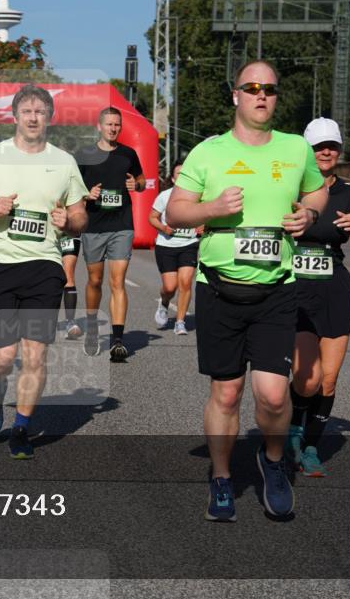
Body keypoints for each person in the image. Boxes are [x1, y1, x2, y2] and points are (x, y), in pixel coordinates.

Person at [165, 60, 328, 520]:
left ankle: (272, 463)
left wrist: (309, 215)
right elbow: (176, 212)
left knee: (275, 396)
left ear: (277, 97)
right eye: (251, 88)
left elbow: (317, 193)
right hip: (219, 290)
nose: (262, 96)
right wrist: (212, 208)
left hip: (277, 288)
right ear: (235, 95)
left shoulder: (296, 149)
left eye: (270, 90)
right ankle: (220, 477)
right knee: (228, 393)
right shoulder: (207, 153)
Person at [0, 85, 88, 459]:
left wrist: (70, 221)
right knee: (3, 358)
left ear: (49, 118)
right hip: (0, 264)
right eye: (26, 111)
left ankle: (22, 428)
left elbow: (80, 215)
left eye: (40, 111)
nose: (32, 117)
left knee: (35, 355)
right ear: (14, 117)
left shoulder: (63, 162)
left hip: (45, 265)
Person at [288, 118, 350, 477]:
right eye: (319, 146)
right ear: (307, 151)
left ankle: (310, 447)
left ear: (339, 150)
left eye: (333, 146)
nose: (326, 151)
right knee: (306, 380)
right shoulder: (291, 188)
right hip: (296, 287)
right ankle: (294, 424)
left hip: (334, 289)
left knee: (328, 379)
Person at [75, 107, 145, 361]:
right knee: (95, 280)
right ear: (99, 126)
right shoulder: (85, 155)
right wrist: (87, 194)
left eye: (117, 125)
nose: (113, 128)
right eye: (109, 125)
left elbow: (141, 180)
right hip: (94, 226)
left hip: (121, 224)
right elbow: (72, 189)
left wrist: (134, 185)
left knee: (118, 282)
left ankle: (117, 340)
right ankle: (92, 327)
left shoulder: (128, 154)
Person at [149, 164, 200, 335]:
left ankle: (180, 321)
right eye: (179, 173)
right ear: (172, 178)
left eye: (185, 174)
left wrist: (203, 225)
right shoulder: (165, 196)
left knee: (185, 282)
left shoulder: (198, 196)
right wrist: (163, 228)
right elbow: (152, 218)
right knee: (170, 287)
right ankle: (164, 304)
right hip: (166, 246)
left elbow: (205, 216)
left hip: (189, 244)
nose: (182, 176)